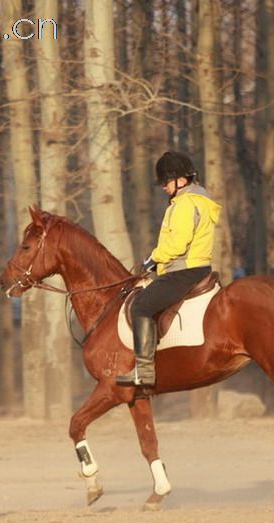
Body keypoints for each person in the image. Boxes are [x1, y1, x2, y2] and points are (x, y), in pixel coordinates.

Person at [116, 151, 222, 388]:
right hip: (194, 267)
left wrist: (152, 259)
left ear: (181, 180)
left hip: (183, 270)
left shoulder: (186, 203)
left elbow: (177, 244)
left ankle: (143, 371)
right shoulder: (199, 201)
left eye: (166, 181)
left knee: (142, 305)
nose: (163, 186)